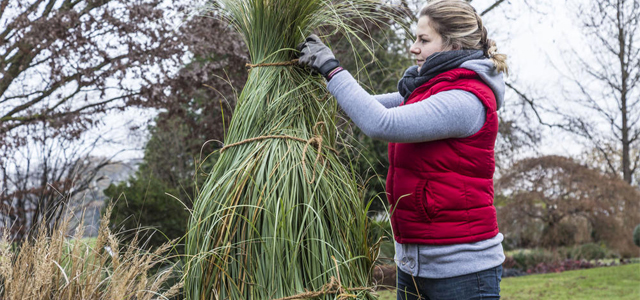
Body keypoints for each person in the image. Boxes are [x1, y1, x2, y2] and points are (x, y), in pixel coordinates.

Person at [297, 0, 508, 299]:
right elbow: (363, 106)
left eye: (424, 40)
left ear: (454, 46)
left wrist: (332, 68)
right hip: (413, 268)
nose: (413, 48)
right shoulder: (426, 91)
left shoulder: (465, 100)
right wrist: (314, 80)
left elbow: (380, 122)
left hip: (462, 274)